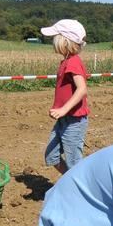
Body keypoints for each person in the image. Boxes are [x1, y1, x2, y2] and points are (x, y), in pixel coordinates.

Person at [41, 19, 90, 174]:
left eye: (55, 37)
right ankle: (71, 181)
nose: (53, 41)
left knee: (74, 162)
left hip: (74, 121)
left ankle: (79, 190)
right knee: (51, 156)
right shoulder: (66, 61)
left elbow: (82, 89)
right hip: (64, 119)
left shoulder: (73, 63)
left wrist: (63, 109)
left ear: (65, 41)